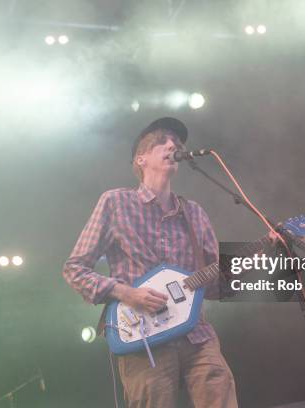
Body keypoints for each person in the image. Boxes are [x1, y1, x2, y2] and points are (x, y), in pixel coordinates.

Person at [62, 117, 238, 408]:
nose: (173, 146)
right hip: (142, 336)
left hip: (196, 334)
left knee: (220, 390)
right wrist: (126, 292)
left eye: (177, 144)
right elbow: (74, 268)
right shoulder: (116, 203)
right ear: (140, 159)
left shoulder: (194, 213)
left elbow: (216, 284)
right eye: (162, 142)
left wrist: (253, 261)